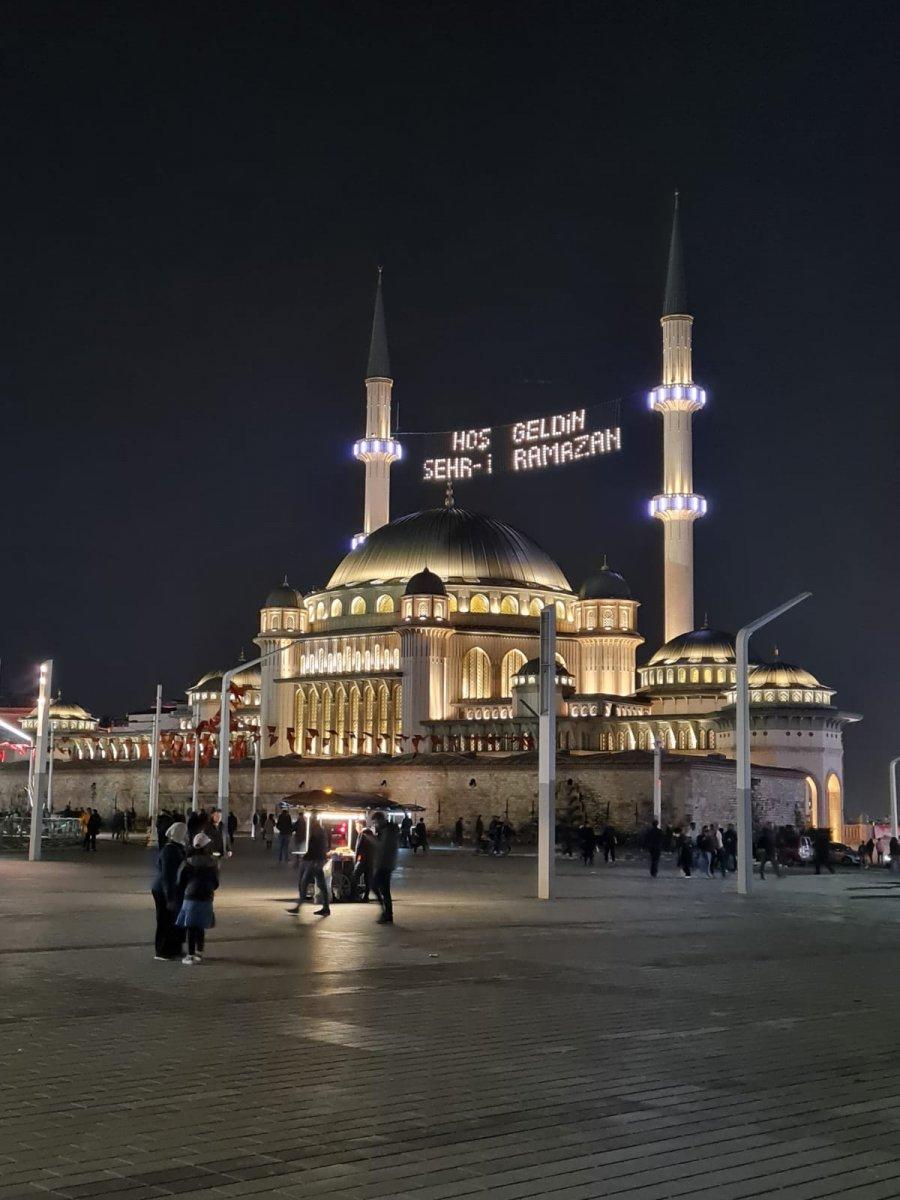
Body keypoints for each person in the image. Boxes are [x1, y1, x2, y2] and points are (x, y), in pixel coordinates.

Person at [175, 832, 219, 964]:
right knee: (200, 926)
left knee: (191, 926)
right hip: (206, 897)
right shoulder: (212, 863)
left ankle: (190, 954)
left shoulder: (187, 862)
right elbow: (216, 883)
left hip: (190, 897)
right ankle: (199, 952)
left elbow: (180, 881)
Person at [151, 821, 188, 960]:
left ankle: (174, 948)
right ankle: (162, 951)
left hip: (173, 889)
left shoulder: (177, 848)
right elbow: (167, 876)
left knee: (173, 920)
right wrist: (170, 898)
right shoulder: (169, 850)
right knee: (164, 920)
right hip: (163, 890)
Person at [288, 816, 330, 916]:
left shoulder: (317, 833)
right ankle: (326, 908)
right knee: (321, 885)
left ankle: (298, 907)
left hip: (314, 862)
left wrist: (307, 859)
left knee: (304, 883)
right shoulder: (320, 832)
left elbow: (314, 849)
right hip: (317, 861)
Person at [371, 811, 399, 924]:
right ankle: (388, 914)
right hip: (386, 864)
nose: (375, 825)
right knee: (385, 890)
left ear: (381, 820)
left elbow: (382, 847)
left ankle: (385, 912)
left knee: (375, 885)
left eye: (376, 822)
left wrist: (371, 838)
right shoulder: (387, 830)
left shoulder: (388, 831)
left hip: (385, 864)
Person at [353, 820, 377, 900]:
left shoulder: (362, 833)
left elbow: (358, 847)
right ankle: (366, 896)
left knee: (355, 876)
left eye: (356, 825)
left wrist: (356, 860)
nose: (356, 828)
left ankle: (354, 895)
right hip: (370, 859)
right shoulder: (370, 833)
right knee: (367, 878)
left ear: (360, 825)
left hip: (362, 859)